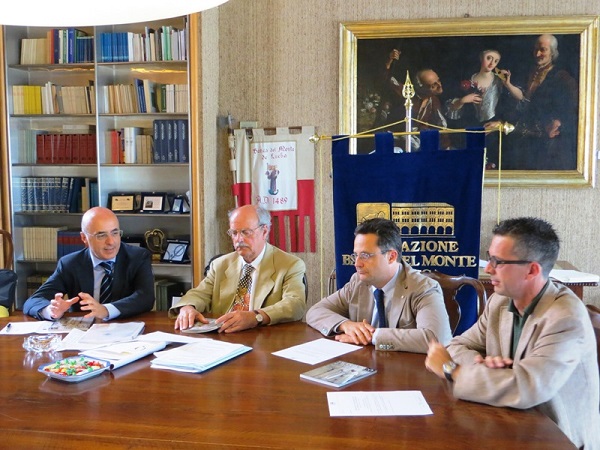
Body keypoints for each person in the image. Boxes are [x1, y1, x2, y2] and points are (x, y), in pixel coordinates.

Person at [425, 217, 600, 449]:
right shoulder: (499, 301)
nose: (488, 269)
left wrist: (451, 370)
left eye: (497, 262)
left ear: (532, 270)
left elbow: (528, 387)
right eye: (489, 258)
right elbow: (459, 345)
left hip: (557, 437)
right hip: (512, 421)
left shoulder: (566, 317)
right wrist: (482, 365)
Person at [306, 218, 452, 353]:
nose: (357, 263)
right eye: (355, 255)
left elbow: (436, 339)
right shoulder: (358, 282)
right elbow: (315, 312)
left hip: (406, 369)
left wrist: (373, 336)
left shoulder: (423, 288)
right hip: (364, 363)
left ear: (391, 256)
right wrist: (345, 325)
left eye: (365, 255)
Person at [170, 204, 306, 333]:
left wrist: (256, 317)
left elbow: (295, 304)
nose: (239, 239)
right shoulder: (220, 265)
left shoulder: (290, 265)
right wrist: (188, 307)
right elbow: (199, 294)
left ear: (264, 231)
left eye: (246, 232)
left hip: (264, 337)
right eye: (234, 233)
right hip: (223, 335)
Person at [23, 207, 155, 321]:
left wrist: (106, 310)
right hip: (85, 331)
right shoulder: (70, 264)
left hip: (127, 329)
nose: (111, 242)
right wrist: (50, 310)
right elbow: (33, 301)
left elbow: (145, 297)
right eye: (101, 235)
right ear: (84, 238)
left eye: (115, 233)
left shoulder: (137, 257)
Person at [505, 34, 578, 170]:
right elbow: (519, 102)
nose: (538, 54)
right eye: (536, 49)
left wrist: (559, 121)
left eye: (543, 49)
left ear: (552, 52)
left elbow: (573, 107)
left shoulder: (562, 77)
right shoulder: (527, 72)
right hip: (522, 135)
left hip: (546, 140)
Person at [445, 49, 523, 168]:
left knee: (491, 156)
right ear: (481, 58)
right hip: (471, 125)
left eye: (496, 61)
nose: (492, 63)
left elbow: (520, 97)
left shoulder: (498, 80)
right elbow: (453, 108)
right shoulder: (469, 80)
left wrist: (507, 84)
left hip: (492, 125)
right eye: (489, 58)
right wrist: (463, 100)